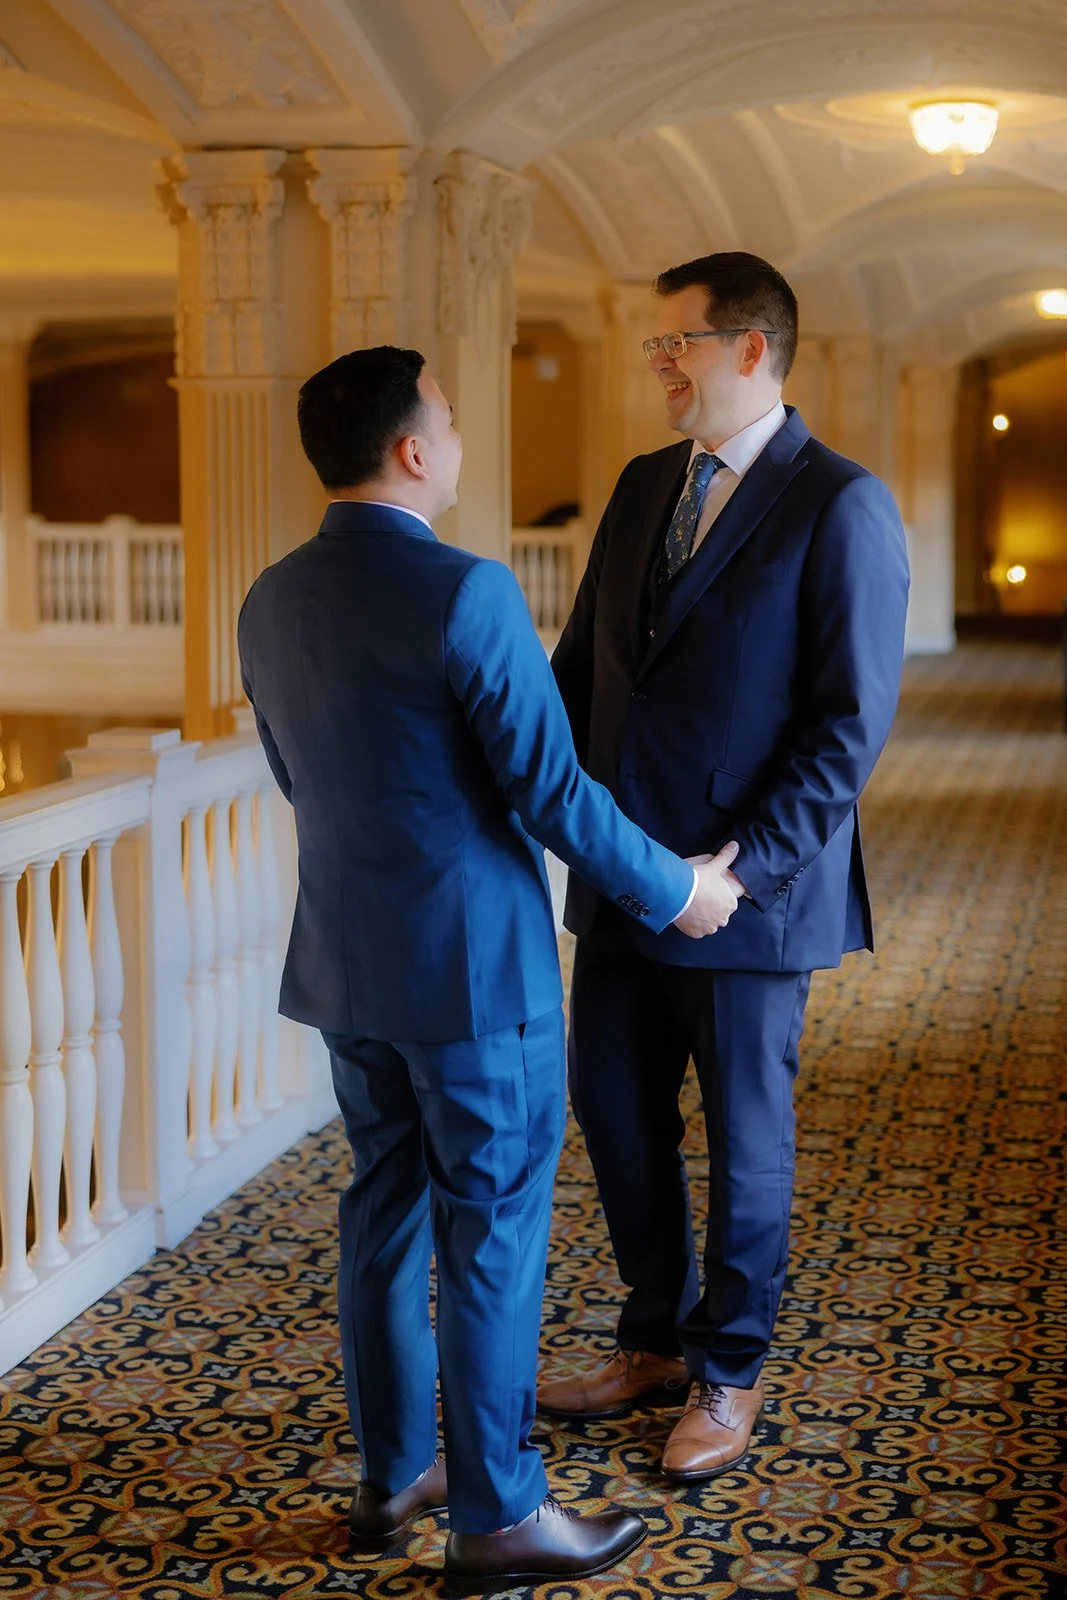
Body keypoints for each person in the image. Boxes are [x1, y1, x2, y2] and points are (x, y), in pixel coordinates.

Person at [237, 345, 741, 1590]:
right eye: (450, 420)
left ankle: (394, 1473)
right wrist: (680, 887)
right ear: (411, 449)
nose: (458, 439)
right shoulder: (466, 590)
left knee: (381, 1211)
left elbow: (298, 777)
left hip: (347, 964)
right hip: (473, 977)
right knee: (492, 1232)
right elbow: (552, 791)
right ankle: (501, 1513)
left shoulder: (270, 597)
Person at [539, 252, 910, 1482]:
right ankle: (651, 1338)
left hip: (747, 894)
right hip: (621, 876)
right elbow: (582, 669)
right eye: (653, 345)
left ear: (750, 348)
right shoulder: (644, 483)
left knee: (746, 1144)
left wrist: (735, 875)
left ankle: (729, 1369)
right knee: (615, 1113)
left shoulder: (839, 502)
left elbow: (844, 727)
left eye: (675, 343)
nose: (657, 363)